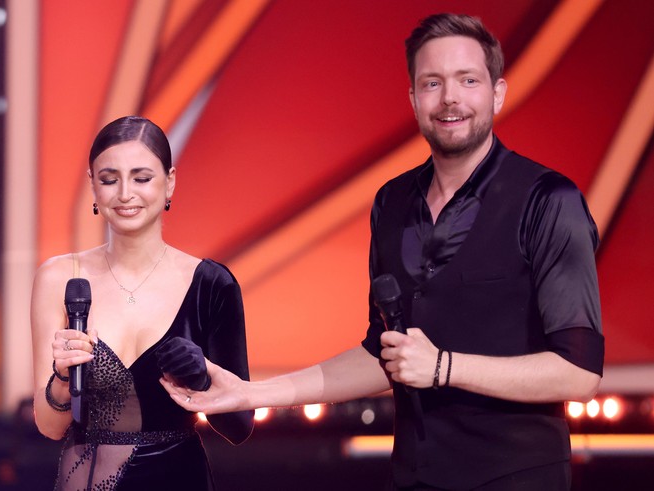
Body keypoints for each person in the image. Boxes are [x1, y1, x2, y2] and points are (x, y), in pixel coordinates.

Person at [162, 13, 603, 491]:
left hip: (516, 478)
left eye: (467, 80)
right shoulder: (392, 202)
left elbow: (578, 372)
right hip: (412, 475)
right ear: (414, 100)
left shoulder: (548, 200)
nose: (450, 98)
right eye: (432, 83)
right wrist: (251, 394)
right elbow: (383, 353)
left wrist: (442, 367)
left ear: (497, 92)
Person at [30, 115, 254, 490]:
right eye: (109, 179)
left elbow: (239, 428)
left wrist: (201, 380)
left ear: (170, 182)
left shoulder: (212, 284)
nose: (124, 194)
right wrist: (64, 378)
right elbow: (49, 426)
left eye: (142, 178)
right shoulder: (59, 278)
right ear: (93, 187)